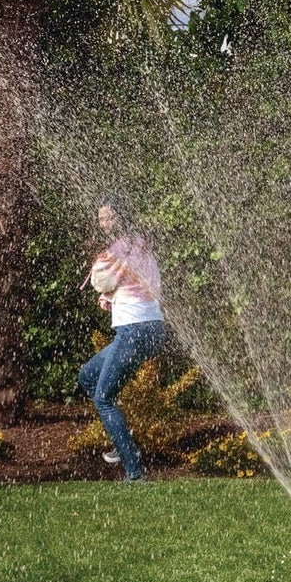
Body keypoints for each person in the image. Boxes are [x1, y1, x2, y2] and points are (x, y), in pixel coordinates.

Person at [77, 197, 165, 483]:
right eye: (101, 219)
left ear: (121, 218)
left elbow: (100, 281)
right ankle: (122, 439)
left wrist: (105, 288)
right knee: (88, 376)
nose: (104, 224)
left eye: (109, 218)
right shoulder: (141, 246)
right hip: (153, 329)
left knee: (103, 399)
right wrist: (112, 295)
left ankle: (134, 472)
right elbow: (143, 283)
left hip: (132, 331)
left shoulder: (117, 250)